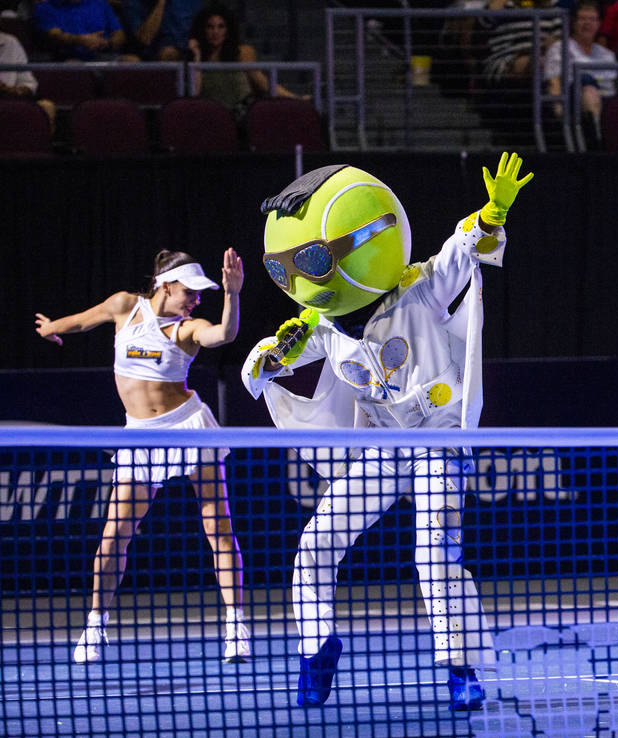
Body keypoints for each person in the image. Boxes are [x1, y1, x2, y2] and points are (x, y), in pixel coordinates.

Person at [241, 152, 533, 711]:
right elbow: (258, 373)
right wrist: (280, 347)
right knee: (315, 544)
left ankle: (461, 668)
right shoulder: (323, 327)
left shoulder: (418, 288)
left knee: (434, 554)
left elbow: (462, 252)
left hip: (438, 442)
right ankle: (316, 649)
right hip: (380, 448)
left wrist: (492, 214)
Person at [34, 248, 251, 665]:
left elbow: (223, 334)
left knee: (217, 527)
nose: (195, 300)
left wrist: (233, 293)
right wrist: (52, 329)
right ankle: (95, 627)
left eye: (201, 295)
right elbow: (84, 320)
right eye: (190, 292)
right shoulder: (125, 307)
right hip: (140, 437)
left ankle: (236, 627)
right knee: (116, 534)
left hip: (188, 428)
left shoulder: (187, 330)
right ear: (165, 285)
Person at [187, 3, 305, 120]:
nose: (215, 32)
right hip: (212, 115)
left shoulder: (241, 52)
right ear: (203, 29)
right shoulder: (198, 57)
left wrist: (295, 98)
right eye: (210, 27)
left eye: (221, 26)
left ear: (228, 29)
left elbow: (262, 83)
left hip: (243, 111)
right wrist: (197, 57)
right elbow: (194, 94)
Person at [544, 0, 615, 135]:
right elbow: (554, 82)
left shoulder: (608, 55)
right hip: (575, 106)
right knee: (587, 84)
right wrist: (559, 110)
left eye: (592, 19)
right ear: (573, 22)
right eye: (582, 18)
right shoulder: (560, 49)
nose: (587, 23)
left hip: (609, 104)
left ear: (599, 24)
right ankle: (596, 139)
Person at [32, 0, 127, 61]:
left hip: (102, 55)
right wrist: (80, 40)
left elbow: (119, 34)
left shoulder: (100, 3)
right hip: (66, 57)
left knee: (131, 61)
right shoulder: (44, 7)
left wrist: (106, 43)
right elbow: (55, 36)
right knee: (73, 67)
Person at [0, 29, 56, 129]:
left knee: (47, 106)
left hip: (9, 99)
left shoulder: (11, 42)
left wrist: (14, 91)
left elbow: (28, 82)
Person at [121, 0, 202, 61]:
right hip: (149, 57)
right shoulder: (134, 4)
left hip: (186, 53)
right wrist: (161, 3)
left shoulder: (191, 2)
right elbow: (145, 39)